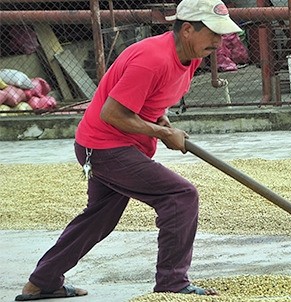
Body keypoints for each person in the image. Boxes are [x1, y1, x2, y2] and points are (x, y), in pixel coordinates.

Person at [15, 0, 241, 300]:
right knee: (180, 196)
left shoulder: (192, 56)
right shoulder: (152, 59)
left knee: (98, 218)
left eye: (221, 33)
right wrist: (162, 133)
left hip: (118, 146)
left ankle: (42, 282)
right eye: (213, 32)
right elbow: (112, 113)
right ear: (187, 29)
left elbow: (151, 99)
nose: (219, 40)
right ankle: (172, 284)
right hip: (104, 146)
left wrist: (162, 119)